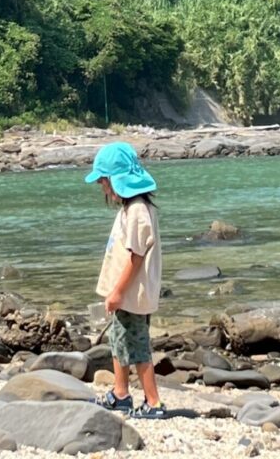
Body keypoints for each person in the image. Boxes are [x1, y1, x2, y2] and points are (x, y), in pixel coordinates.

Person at [85, 142, 165, 419]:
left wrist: (118, 291)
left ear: (117, 180)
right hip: (126, 293)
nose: (103, 188)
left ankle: (153, 402)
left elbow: (136, 256)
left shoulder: (138, 211)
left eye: (103, 182)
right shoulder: (130, 208)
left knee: (137, 345)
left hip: (131, 293)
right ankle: (121, 393)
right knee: (119, 340)